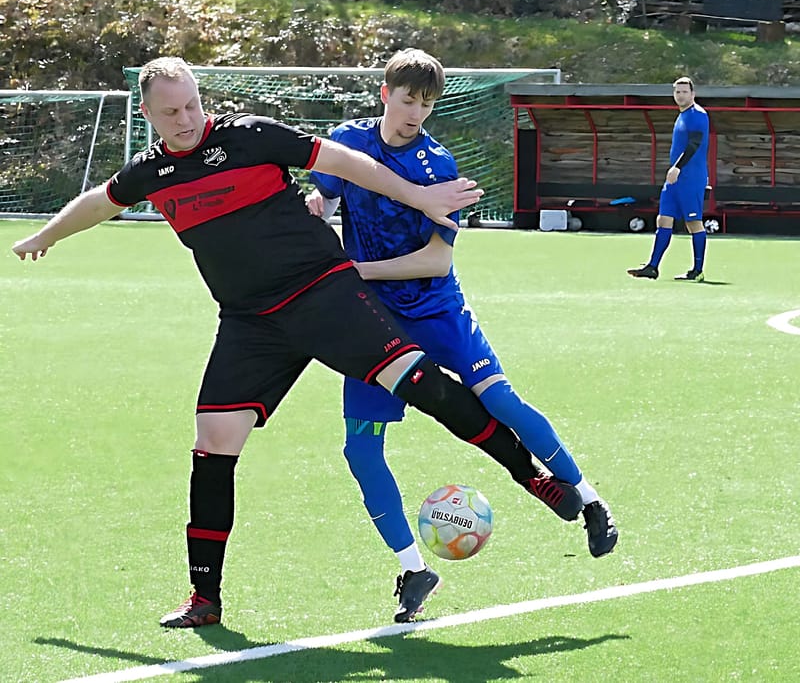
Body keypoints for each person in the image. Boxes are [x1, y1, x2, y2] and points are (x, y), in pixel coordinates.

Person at [11, 56, 581, 630]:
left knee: (419, 385)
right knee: (213, 442)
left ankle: (532, 476)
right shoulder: (150, 171)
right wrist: (45, 236)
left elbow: (345, 162)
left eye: (191, 105)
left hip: (321, 291)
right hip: (250, 321)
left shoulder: (251, 135)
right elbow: (98, 201)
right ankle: (204, 599)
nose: (184, 119)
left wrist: (420, 197)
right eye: (170, 112)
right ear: (147, 113)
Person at [306, 48, 618, 615]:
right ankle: (413, 570)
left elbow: (434, 262)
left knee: (502, 402)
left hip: (436, 309)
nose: (415, 114)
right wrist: (318, 204)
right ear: (384, 93)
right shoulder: (346, 143)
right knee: (361, 448)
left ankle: (591, 501)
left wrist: (355, 270)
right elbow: (327, 195)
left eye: (426, 105)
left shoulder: (438, 167)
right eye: (407, 101)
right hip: (373, 323)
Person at [628, 77, 710, 282]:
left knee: (693, 222)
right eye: (677, 92)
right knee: (663, 219)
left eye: (684, 91)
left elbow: (694, 144)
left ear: (693, 93)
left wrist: (677, 167)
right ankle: (653, 266)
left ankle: (697, 270)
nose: (680, 95)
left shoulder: (698, 115)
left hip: (690, 177)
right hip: (675, 179)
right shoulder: (681, 115)